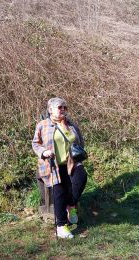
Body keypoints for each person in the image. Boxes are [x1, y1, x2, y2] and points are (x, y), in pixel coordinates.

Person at [32, 97, 88, 239]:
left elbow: (79, 141)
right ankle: (61, 226)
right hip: (53, 165)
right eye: (59, 107)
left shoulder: (70, 124)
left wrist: (78, 152)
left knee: (81, 178)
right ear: (50, 110)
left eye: (65, 107)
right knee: (59, 192)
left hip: (71, 163)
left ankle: (71, 205)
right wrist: (43, 152)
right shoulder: (43, 125)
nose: (63, 110)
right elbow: (35, 143)